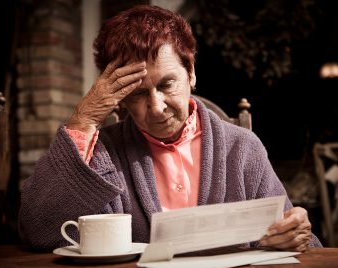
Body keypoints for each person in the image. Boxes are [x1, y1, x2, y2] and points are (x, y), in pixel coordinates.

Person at [18, 5, 322, 251]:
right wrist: (83, 121)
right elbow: (36, 230)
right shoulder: (102, 154)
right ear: (119, 97)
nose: (156, 106)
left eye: (167, 84)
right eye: (137, 93)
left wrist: (294, 235)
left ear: (190, 73)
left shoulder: (243, 148)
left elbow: (299, 241)